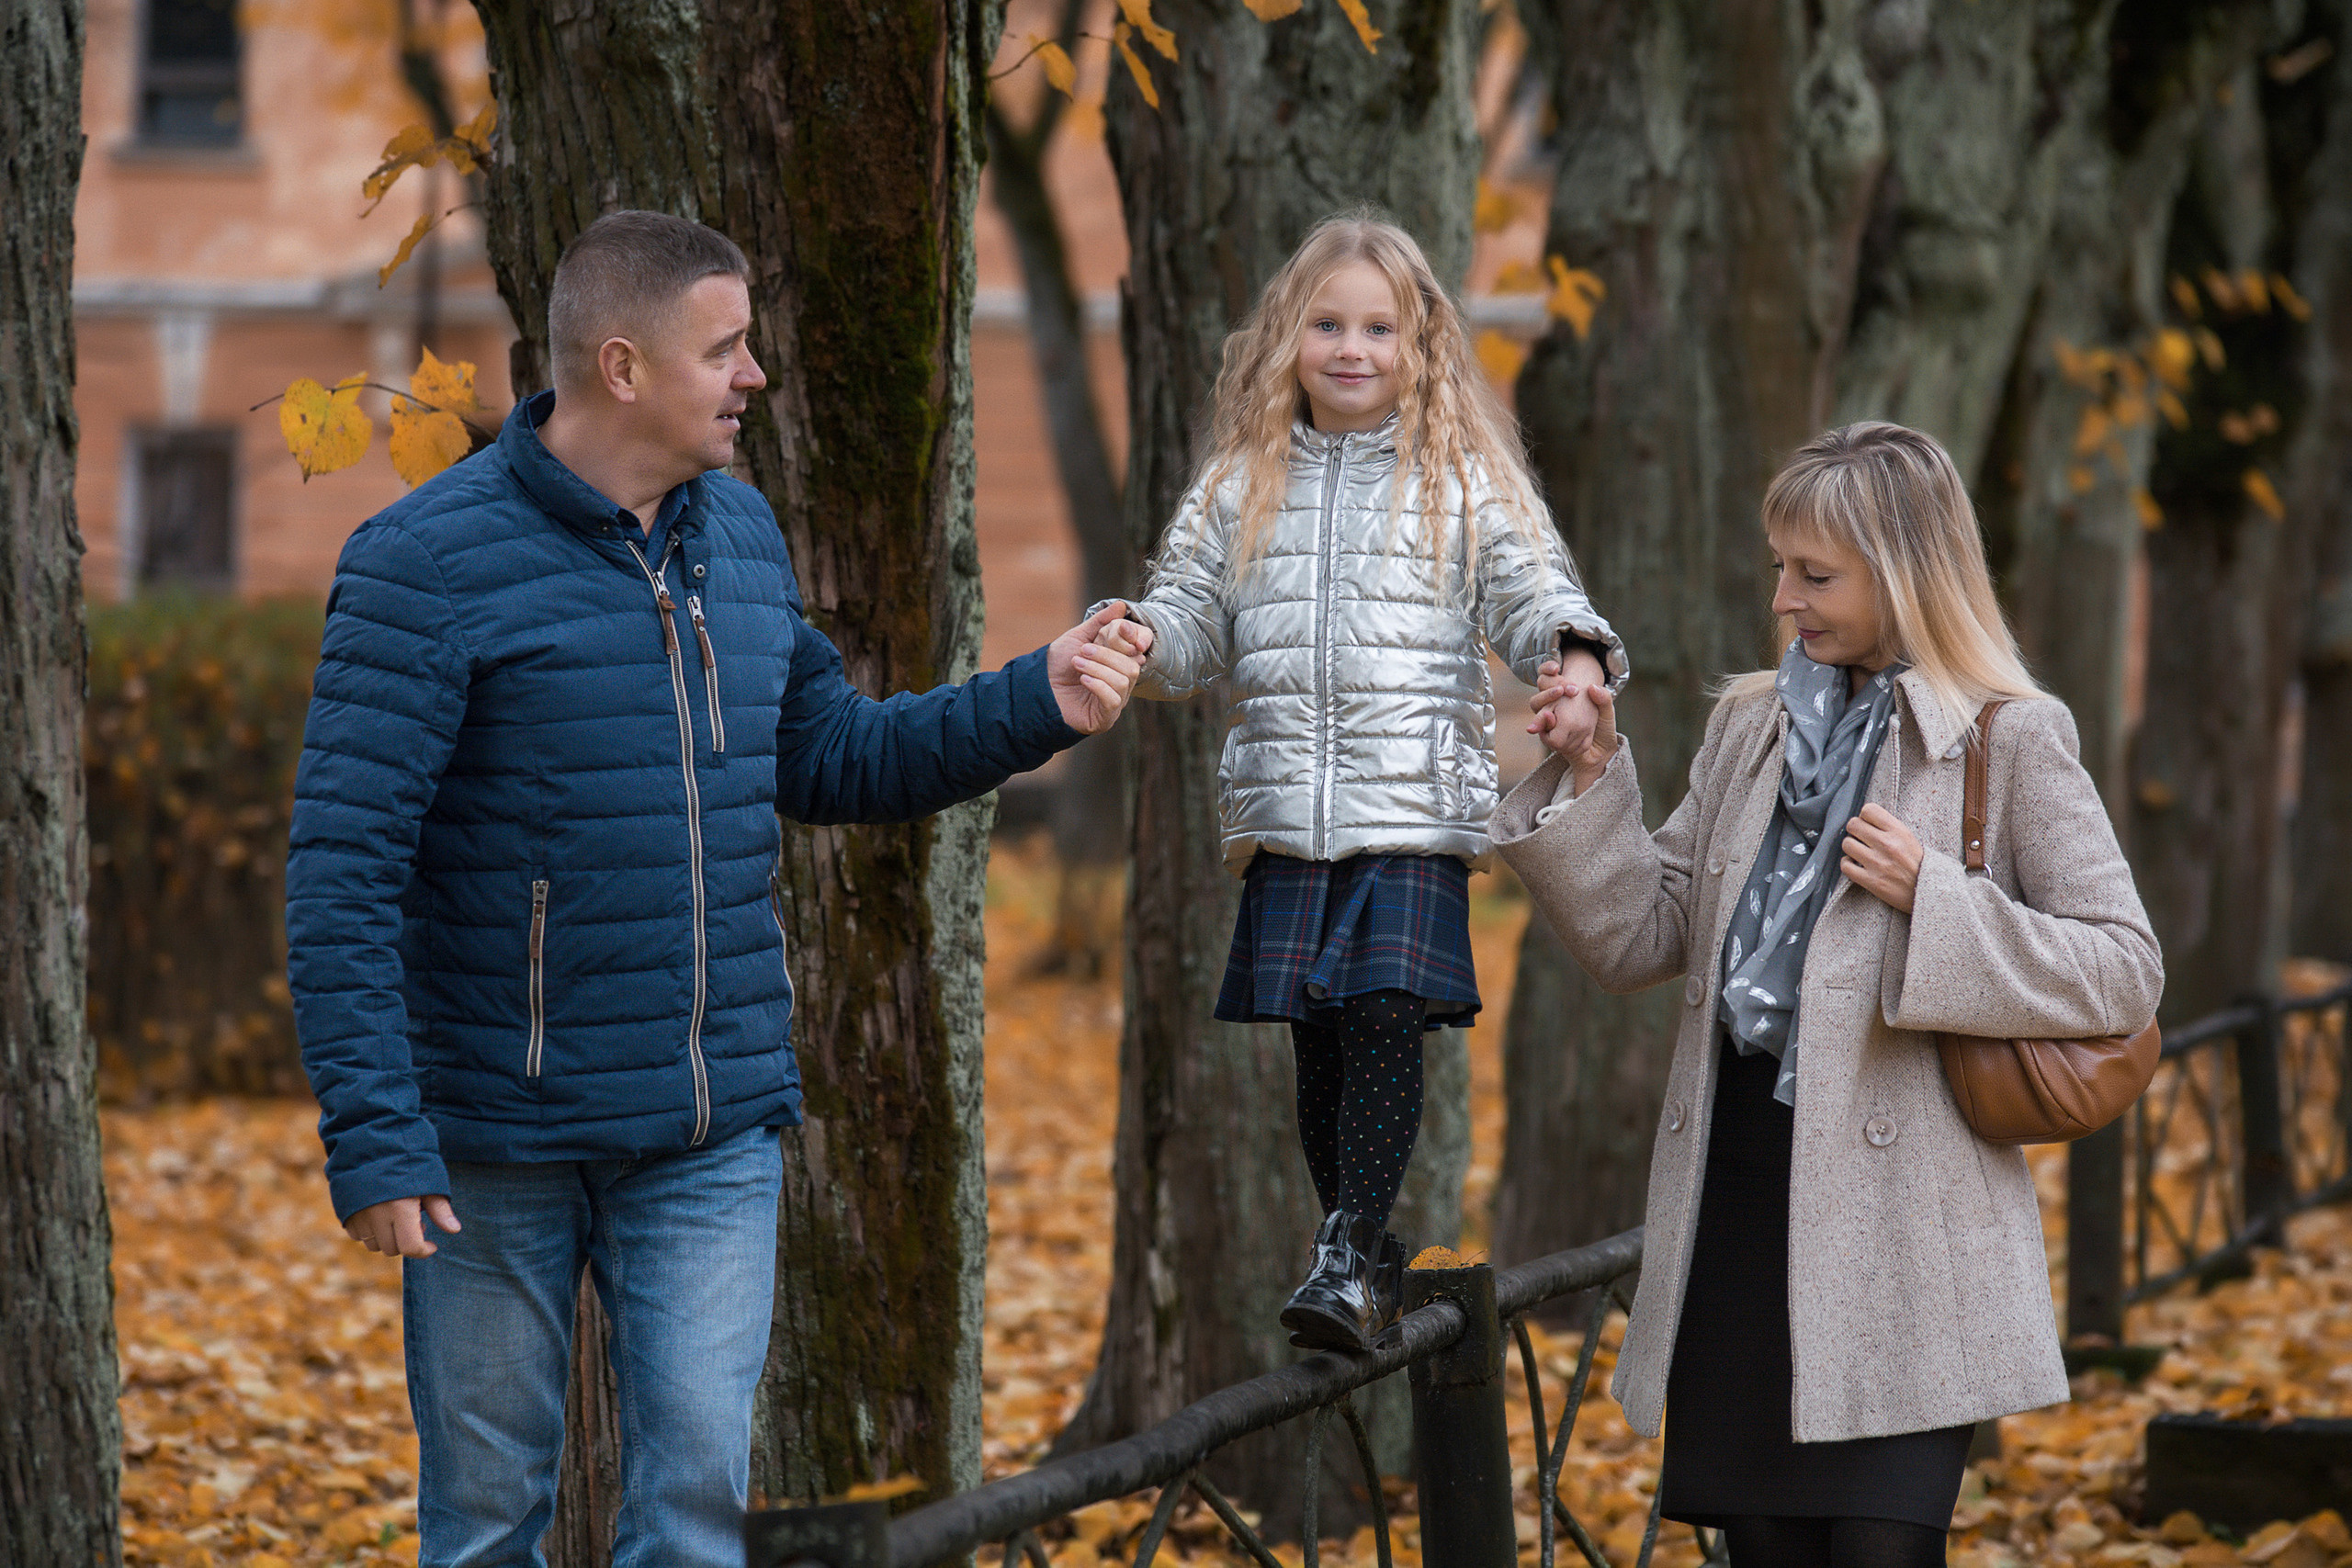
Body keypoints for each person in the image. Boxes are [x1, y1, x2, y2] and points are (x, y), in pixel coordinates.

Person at [284, 210, 1150, 1568]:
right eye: (727, 347)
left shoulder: (735, 536)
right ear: (623, 365)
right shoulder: (423, 565)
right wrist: (376, 1131)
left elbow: (832, 754)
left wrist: (1032, 697)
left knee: (694, 1524)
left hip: (706, 1133)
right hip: (491, 1139)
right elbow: (343, 864)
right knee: (484, 1527)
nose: (756, 375)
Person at [1497, 421, 2164, 1567]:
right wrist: (1596, 773)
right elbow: (1644, 932)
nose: (1783, 602)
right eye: (1778, 569)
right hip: (1742, 1210)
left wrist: (1935, 899)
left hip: (1902, 1233)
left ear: (1903, 573)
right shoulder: (1749, 726)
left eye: (1816, 574)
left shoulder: (2010, 738)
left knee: (1877, 1552)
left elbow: (2122, 967)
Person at [1097, 210, 1627, 1352]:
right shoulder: (1241, 481)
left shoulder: (1459, 478)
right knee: (1320, 1038)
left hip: (1412, 804)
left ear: (1419, 343)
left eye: (1379, 327)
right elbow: (1190, 621)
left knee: (1384, 1012)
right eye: (1326, 323)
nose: (1352, 347)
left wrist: (1575, 657)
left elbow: (1532, 589)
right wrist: (1136, 640)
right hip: (1289, 807)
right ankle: (1364, 1252)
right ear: (1286, 336)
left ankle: (1342, 1252)